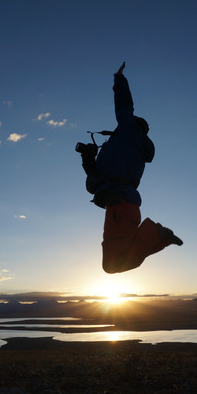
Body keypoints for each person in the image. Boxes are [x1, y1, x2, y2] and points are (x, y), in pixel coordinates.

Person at [77, 62, 182, 274]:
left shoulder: (129, 132)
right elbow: (95, 176)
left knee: (112, 264)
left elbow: (125, 106)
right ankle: (156, 234)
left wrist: (119, 79)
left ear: (134, 126)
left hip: (121, 204)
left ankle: (156, 234)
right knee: (114, 263)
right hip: (121, 204)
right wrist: (88, 157)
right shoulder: (127, 149)